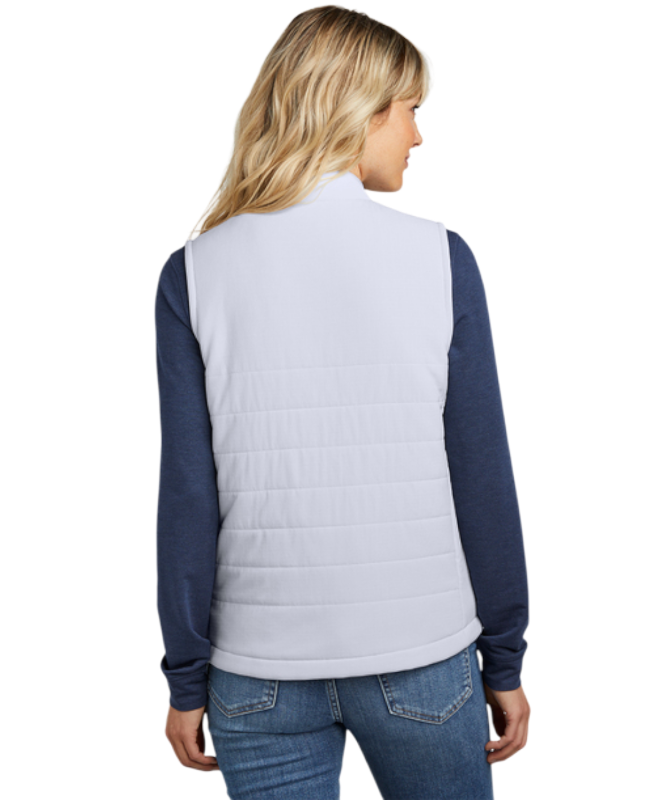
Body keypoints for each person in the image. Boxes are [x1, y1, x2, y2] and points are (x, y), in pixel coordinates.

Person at [155, 5, 531, 798]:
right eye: (411, 111)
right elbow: (482, 474)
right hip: (421, 656)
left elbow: (188, 494)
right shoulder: (439, 256)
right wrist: (505, 657)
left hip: (256, 674)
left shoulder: (194, 269)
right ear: (358, 109)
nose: (419, 136)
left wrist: (186, 676)